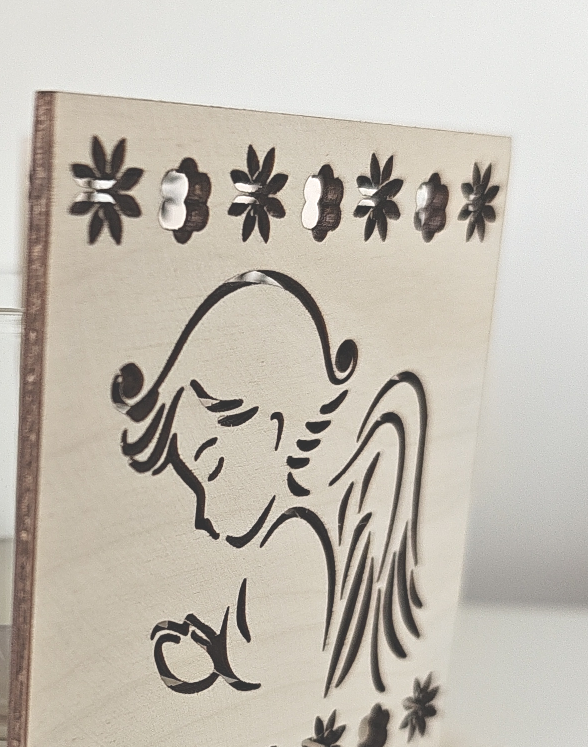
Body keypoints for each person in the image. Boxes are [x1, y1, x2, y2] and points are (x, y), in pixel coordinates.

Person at [110, 270, 428, 697]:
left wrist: (211, 656)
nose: (202, 516)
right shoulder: (262, 547)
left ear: (276, 431)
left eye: (212, 470)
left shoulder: (291, 544)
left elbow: (271, 672)